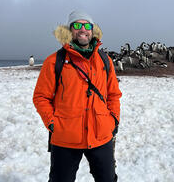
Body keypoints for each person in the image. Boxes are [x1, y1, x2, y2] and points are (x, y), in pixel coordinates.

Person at [33, 10, 122, 182]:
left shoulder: (105, 61)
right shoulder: (54, 61)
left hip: (100, 135)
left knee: (107, 179)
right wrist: (53, 124)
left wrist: (113, 120)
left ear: (92, 30)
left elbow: (113, 95)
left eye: (87, 25)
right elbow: (41, 97)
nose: (83, 29)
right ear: (69, 30)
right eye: (77, 25)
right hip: (65, 137)